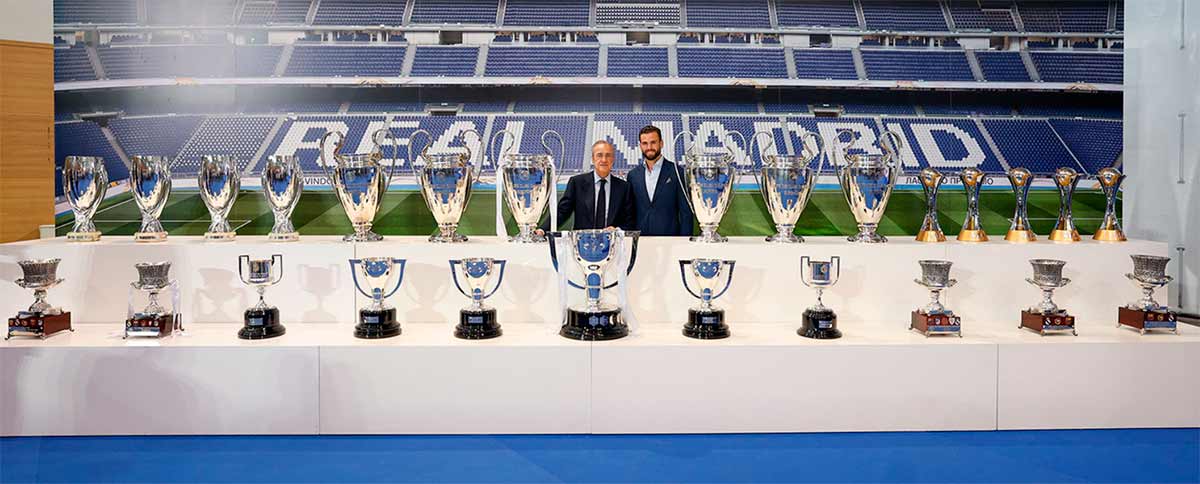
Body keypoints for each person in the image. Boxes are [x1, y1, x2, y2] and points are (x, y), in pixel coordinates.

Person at [538, 140, 635, 233]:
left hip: (611, 242)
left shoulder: (624, 188)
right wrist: (542, 229)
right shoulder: (577, 183)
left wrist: (617, 230)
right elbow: (562, 212)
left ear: (613, 159)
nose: (604, 160)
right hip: (583, 242)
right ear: (593, 159)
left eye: (608, 155)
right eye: (599, 155)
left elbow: (629, 221)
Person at [625, 125, 694, 236]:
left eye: (653, 142)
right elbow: (630, 213)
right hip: (641, 239)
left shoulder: (677, 172)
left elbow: (686, 213)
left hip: (670, 240)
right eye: (645, 143)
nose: (649, 147)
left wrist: (684, 242)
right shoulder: (633, 175)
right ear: (640, 146)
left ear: (661, 143)